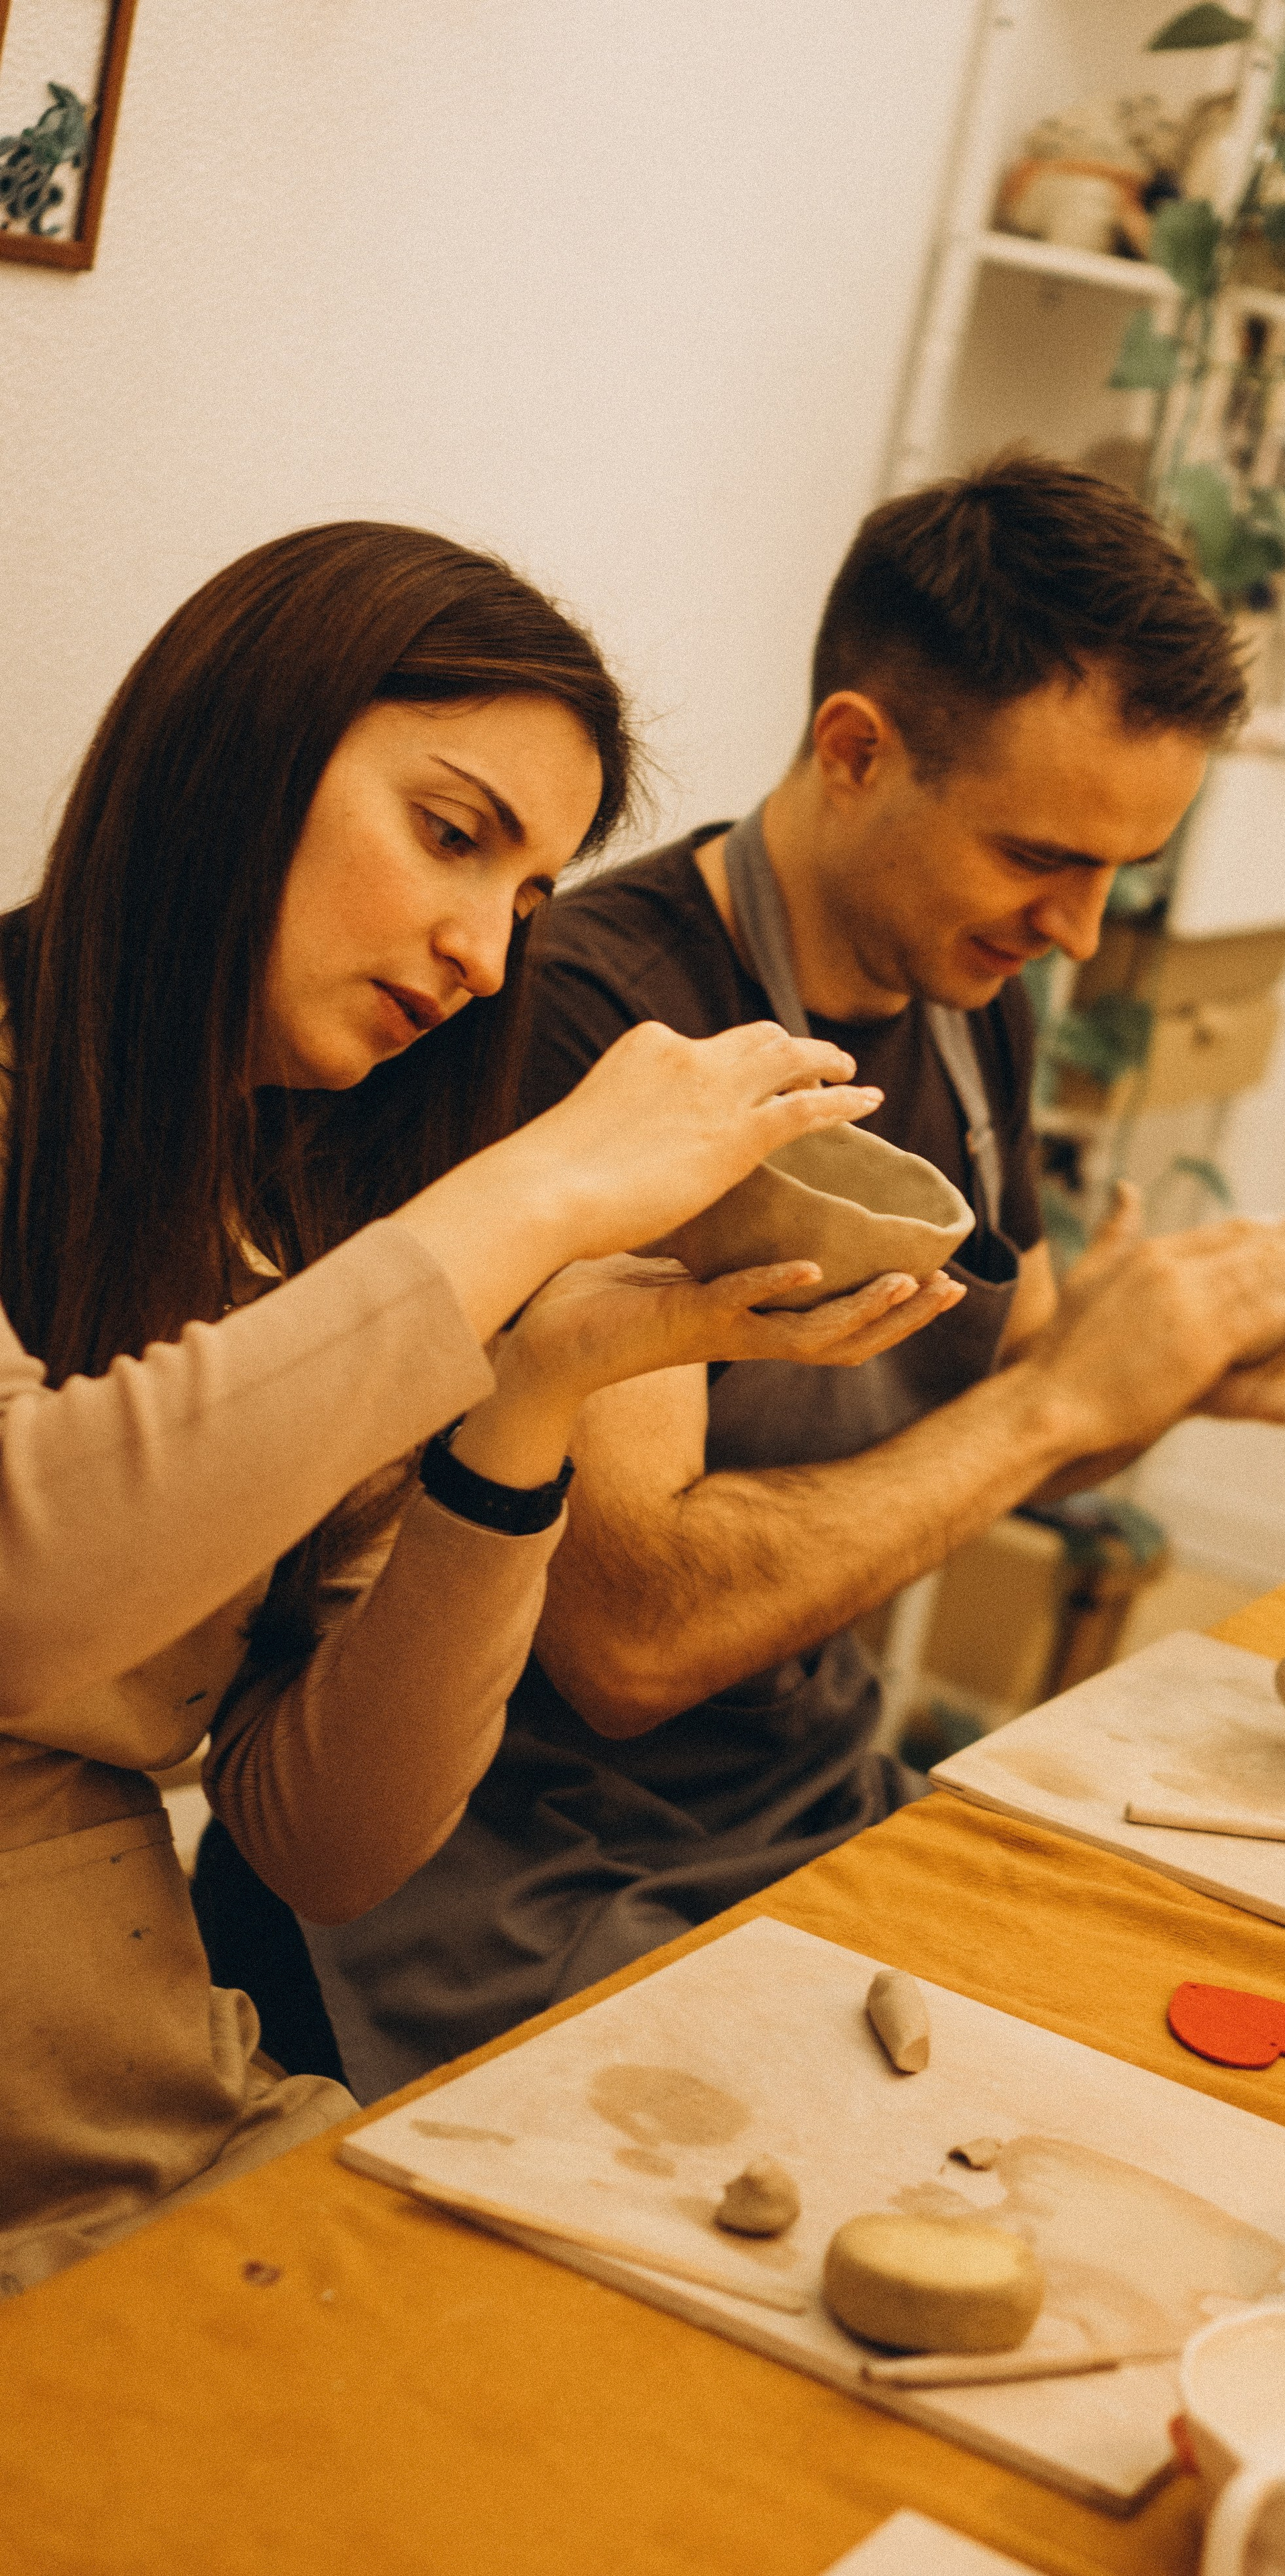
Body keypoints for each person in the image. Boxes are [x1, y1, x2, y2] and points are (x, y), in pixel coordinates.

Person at [303, 456, 1285, 2097]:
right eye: (1041, 860)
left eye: (1114, 876)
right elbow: (634, 1641)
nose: (1076, 932)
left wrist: (1186, 1363)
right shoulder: (588, 1029)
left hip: (804, 1811)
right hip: (521, 1884)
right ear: (855, 751)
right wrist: (1067, 1403)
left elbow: (1022, 1398)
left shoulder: (963, 985)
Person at [0, 519, 949, 2294]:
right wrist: (532, 1191)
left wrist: (532, 1396)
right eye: (451, 837)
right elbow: (26, 1579)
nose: (487, 959)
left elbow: (327, 1841)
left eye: (528, 900)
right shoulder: (364, 1242)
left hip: (155, 2121)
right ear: (239, 752)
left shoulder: (295, 1223)